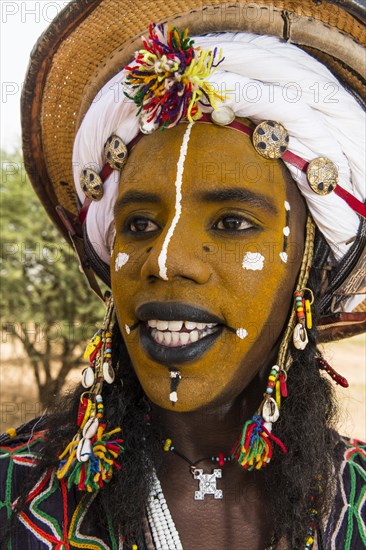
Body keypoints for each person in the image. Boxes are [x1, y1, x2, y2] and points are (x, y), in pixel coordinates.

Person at [1, 0, 365, 548]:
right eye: (141, 223)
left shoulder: (355, 497)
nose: (166, 260)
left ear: (309, 268)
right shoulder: (15, 492)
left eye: (232, 221)